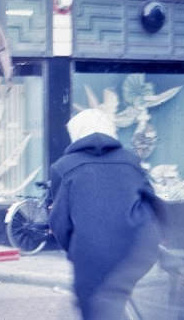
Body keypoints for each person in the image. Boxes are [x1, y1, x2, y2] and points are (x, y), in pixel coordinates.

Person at [49, 108, 163, 320]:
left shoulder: (63, 167)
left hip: (91, 254)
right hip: (136, 249)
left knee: (94, 309)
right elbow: (153, 204)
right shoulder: (131, 161)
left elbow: (60, 222)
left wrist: (75, 250)